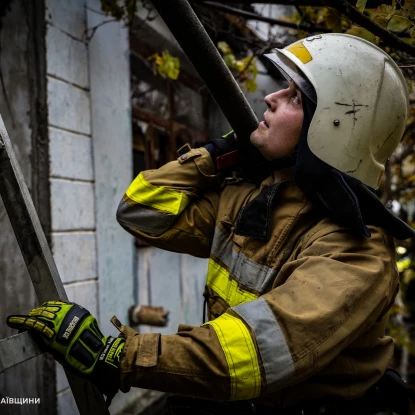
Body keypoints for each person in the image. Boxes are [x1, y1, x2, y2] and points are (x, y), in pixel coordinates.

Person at [6, 34, 415, 414]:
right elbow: (140, 211)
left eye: (295, 97)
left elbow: (253, 352)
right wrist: (217, 155)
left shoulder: (355, 257)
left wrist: (114, 356)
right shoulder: (248, 198)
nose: (271, 98)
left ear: (333, 129)